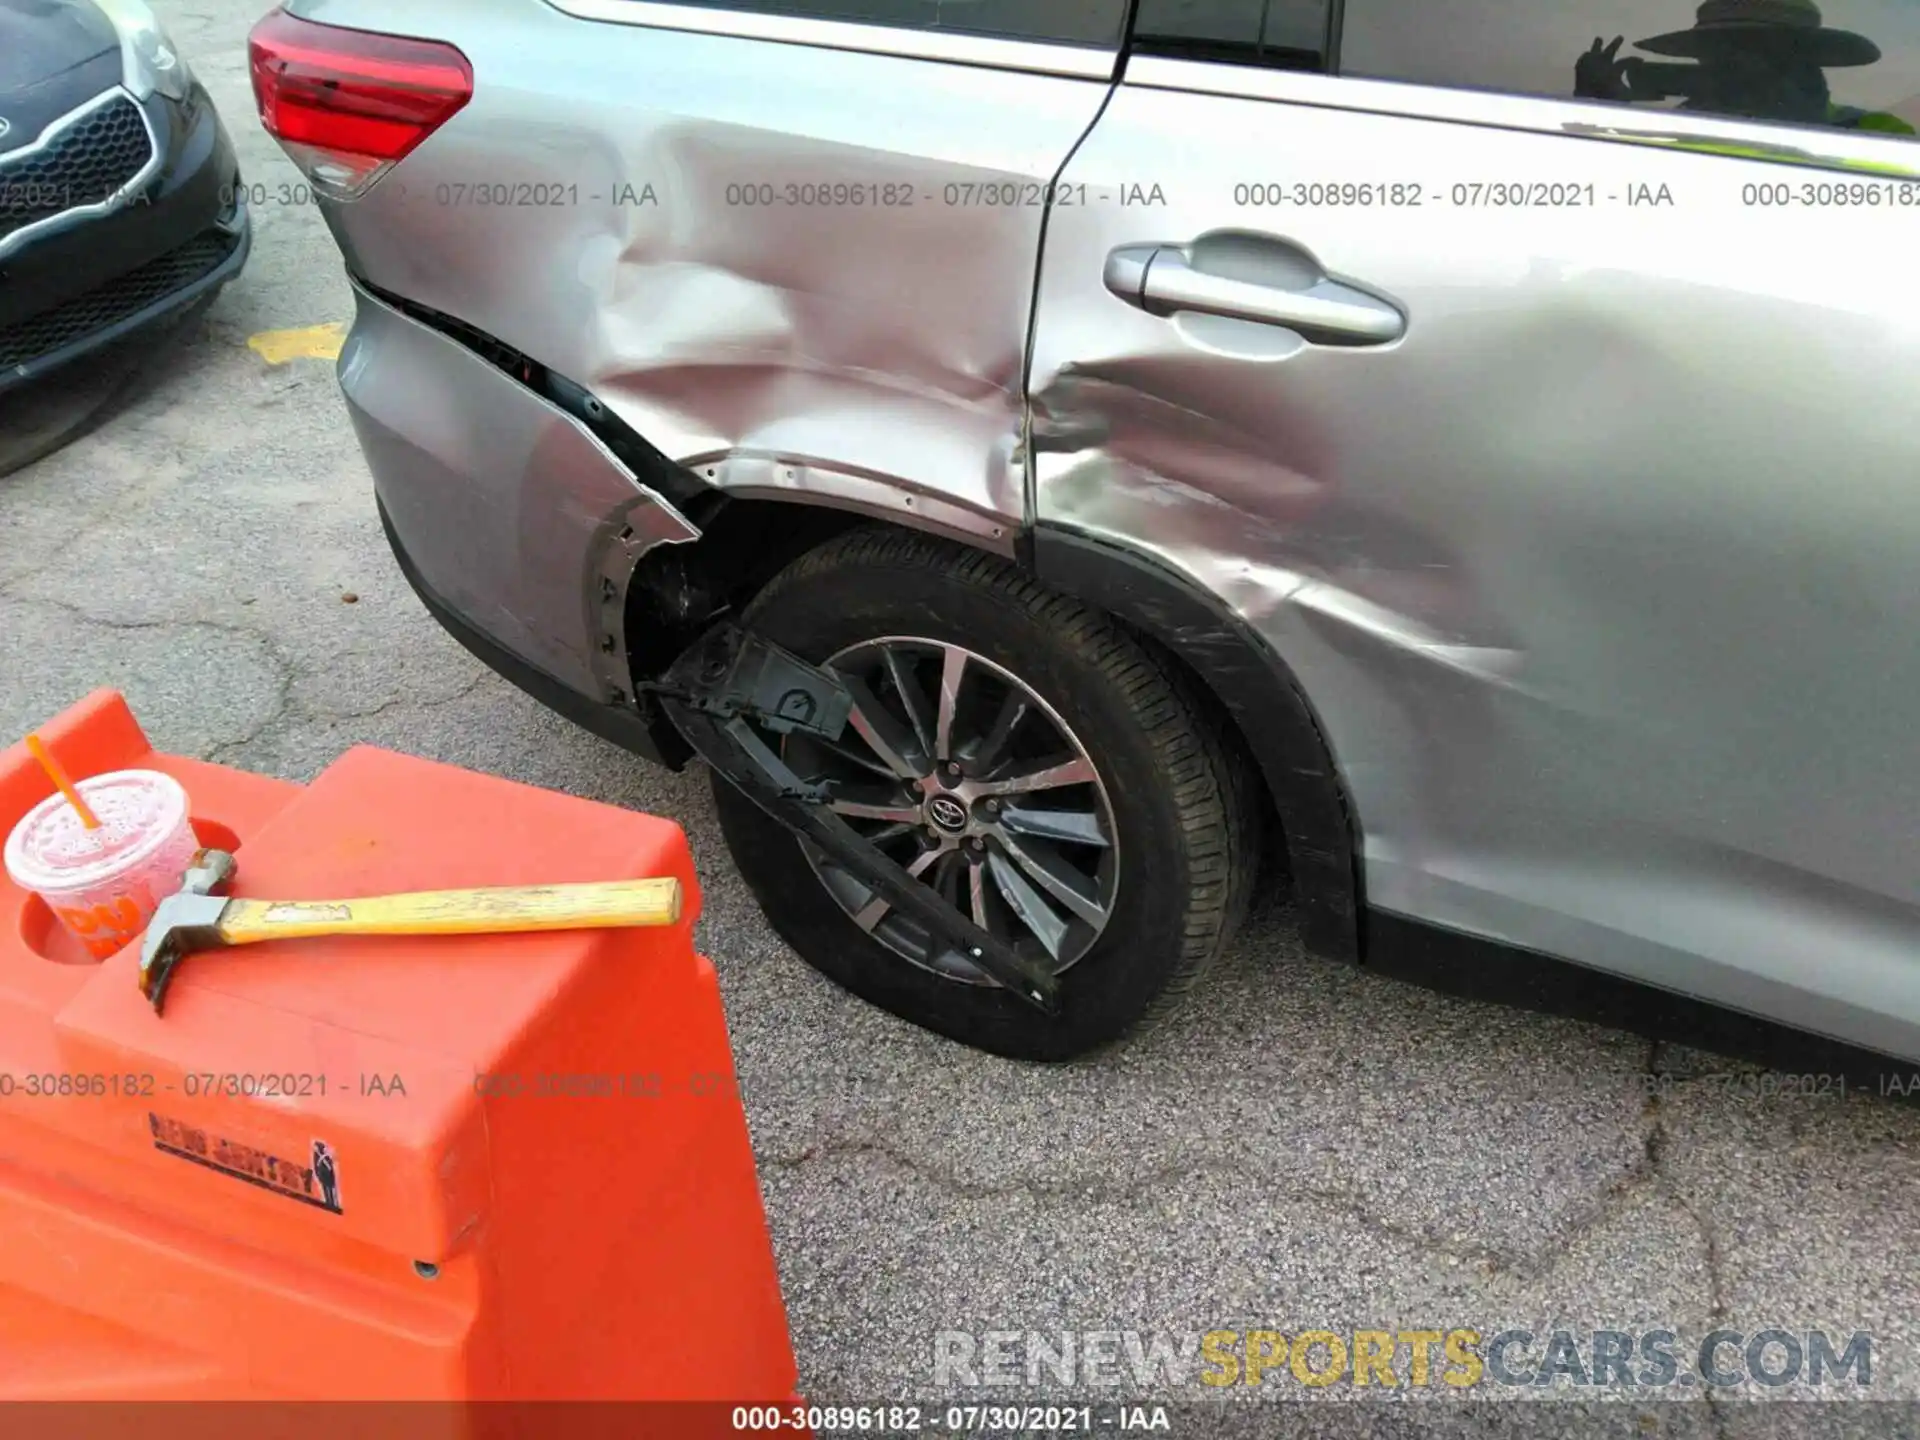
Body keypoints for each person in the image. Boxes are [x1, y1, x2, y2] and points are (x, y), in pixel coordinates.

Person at [1575, 0, 1916, 135]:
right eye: (1722, 51)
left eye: (1760, 50)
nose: (1736, 64)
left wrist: (1795, 117)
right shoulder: (1671, 135)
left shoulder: (1879, 134)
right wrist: (1598, 117)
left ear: (1805, 59)